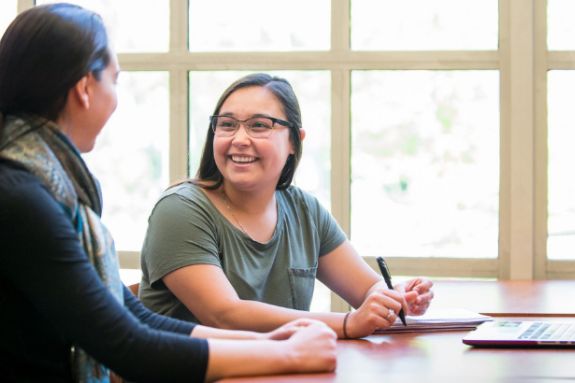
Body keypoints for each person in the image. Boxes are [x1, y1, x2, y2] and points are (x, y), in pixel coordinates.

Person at [0, 4, 337, 382]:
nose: (116, 98)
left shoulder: (44, 188)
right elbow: (127, 346)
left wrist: (271, 343)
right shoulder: (22, 199)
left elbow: (137, 317)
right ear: (84, 89)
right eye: (114, 80)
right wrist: (287, 355)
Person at [139, 72, 435, 339]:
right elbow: (224, 315)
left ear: (295, 140)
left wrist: (392, 299)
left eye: (259, 126)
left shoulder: (304, 210)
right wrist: (346, 323)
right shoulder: (179, 210)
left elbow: (367, 288)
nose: (240, 139)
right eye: (227, 125)